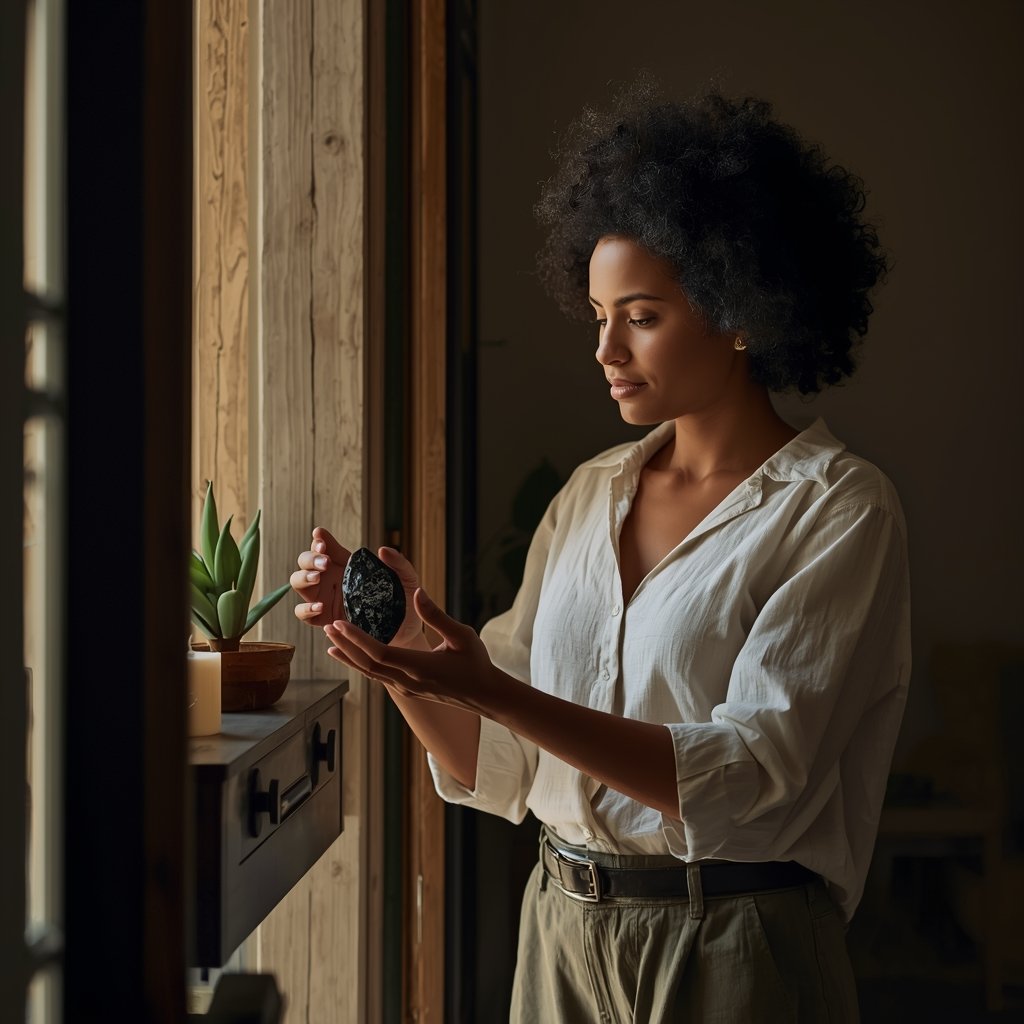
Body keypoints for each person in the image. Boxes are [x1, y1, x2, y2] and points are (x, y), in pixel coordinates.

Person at [291, 81, 910, 1023]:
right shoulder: (589, 494)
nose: (606, 349)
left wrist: (488, 687)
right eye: (596, 316)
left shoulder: (839, 511)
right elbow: (498, 763)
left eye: (642, 315)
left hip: (737, 947)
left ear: (739, 308)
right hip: (560, 939)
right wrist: (405, 656)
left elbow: (745, 777)